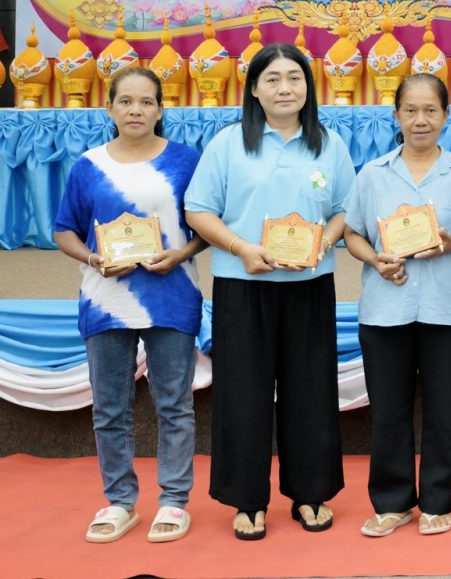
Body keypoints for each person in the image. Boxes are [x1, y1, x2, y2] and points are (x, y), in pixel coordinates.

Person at [185, 43, 356, 540]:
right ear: (254, 89)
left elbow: (346, 208)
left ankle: (310, 493)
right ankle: (247, 499)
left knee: (311, 390)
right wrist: (240, 247)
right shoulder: (228, 143)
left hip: (309, 286)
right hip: (243, 285)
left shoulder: (328, 144)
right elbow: (198, 209)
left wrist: (325, 241)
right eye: (273, 79)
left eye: (295, 78)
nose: (285, 88)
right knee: (243, 393)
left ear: (308, 86)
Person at [54, 67, 204, 544]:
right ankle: (119, 501)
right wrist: (93, 259)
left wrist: (180, 254)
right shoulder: (89, 165)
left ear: (160, 109)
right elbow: (64, 230)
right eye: (126, 101)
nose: (135, 110)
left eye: (146, 102)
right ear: (109, 109)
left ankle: (174, 501)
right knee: (109, 407)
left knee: (174, 404)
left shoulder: (185, 160)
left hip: (172, 297)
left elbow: (206, 225)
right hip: (106, 300)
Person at [342, 73, 451, 538]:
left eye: (430, 110)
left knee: (446, 410)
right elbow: (352, 233)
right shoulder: (373, 174)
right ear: (396, 115)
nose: (420, 120)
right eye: (410, 110)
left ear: (446, 116)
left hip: (448, 308)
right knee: (388, 411)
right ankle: (393, 503)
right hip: (385, 309)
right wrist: (376, 259)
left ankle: (438, 501)